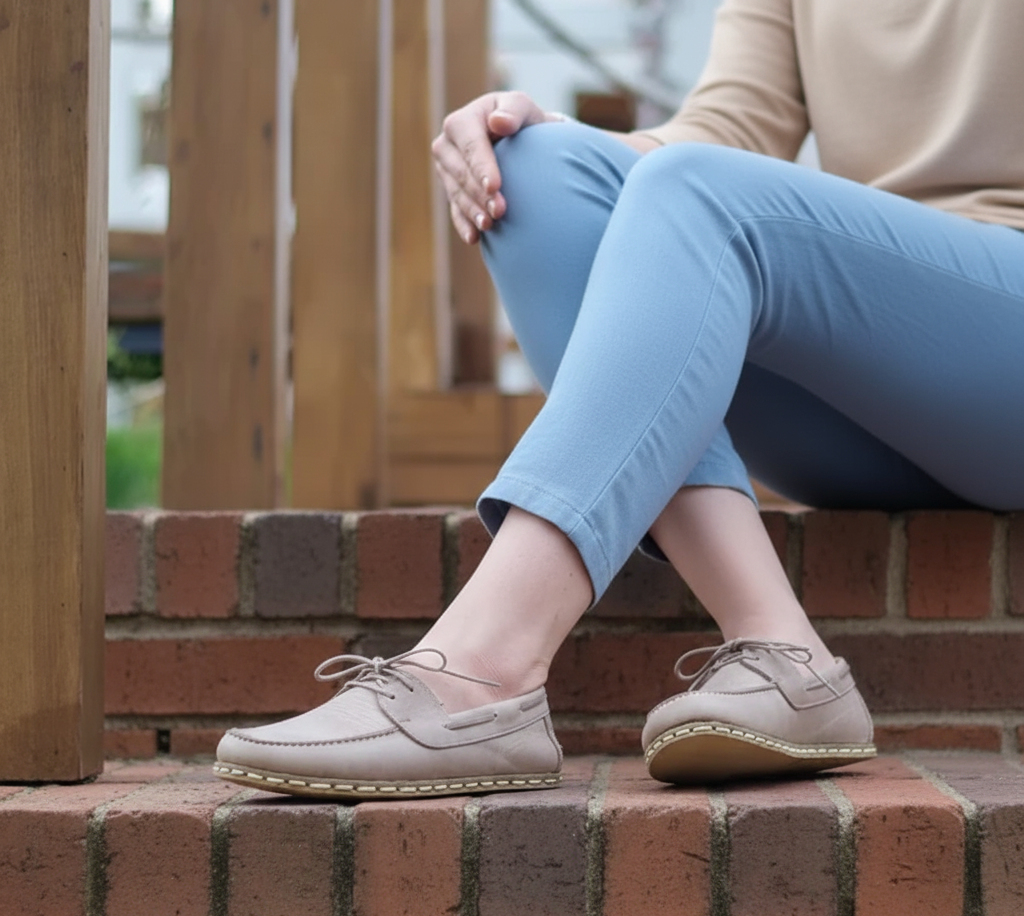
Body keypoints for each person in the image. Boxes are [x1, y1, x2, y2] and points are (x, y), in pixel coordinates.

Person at [214, 0, 1024, 799]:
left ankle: (486, 667)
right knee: (533, 172)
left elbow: (707, 185)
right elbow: (735, 122)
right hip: (862, 384)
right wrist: (549, 135)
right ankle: (784, 653)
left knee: (697, 192)